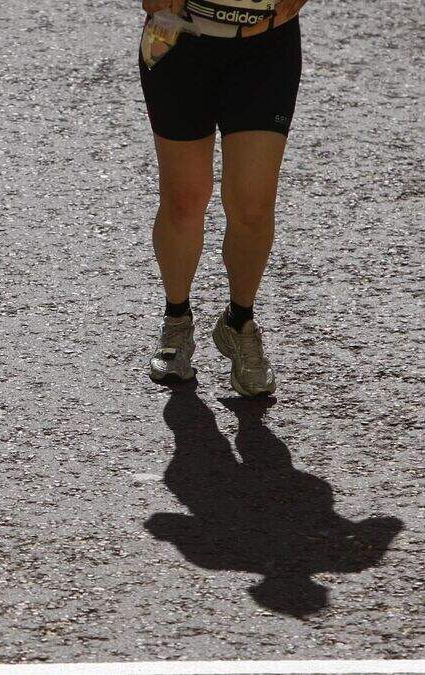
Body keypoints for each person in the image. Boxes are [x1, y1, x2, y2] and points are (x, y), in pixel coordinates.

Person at [140, 0, 308, 396]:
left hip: (266, 47)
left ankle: (240, 322)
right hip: (180, 38)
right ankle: (176, 320)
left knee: (253, 204)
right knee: (184, 197)